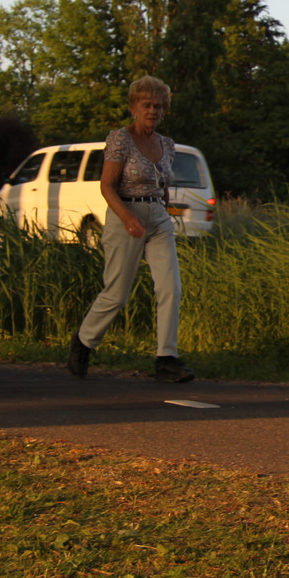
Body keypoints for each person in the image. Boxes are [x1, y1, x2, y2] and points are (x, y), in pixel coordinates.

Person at [69, 75, 195, 384]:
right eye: (147, 105)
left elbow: (162, 182)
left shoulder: (166, 144)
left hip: (158, 218)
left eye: (158, 106)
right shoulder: (120, 139)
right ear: (133, 107)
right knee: (117, 294)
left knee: (171, 288)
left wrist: (162, 201)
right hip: (125, 214)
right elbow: (106, 186)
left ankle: (167, 359)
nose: (153, 111)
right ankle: (84, 341)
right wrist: (127, 217)